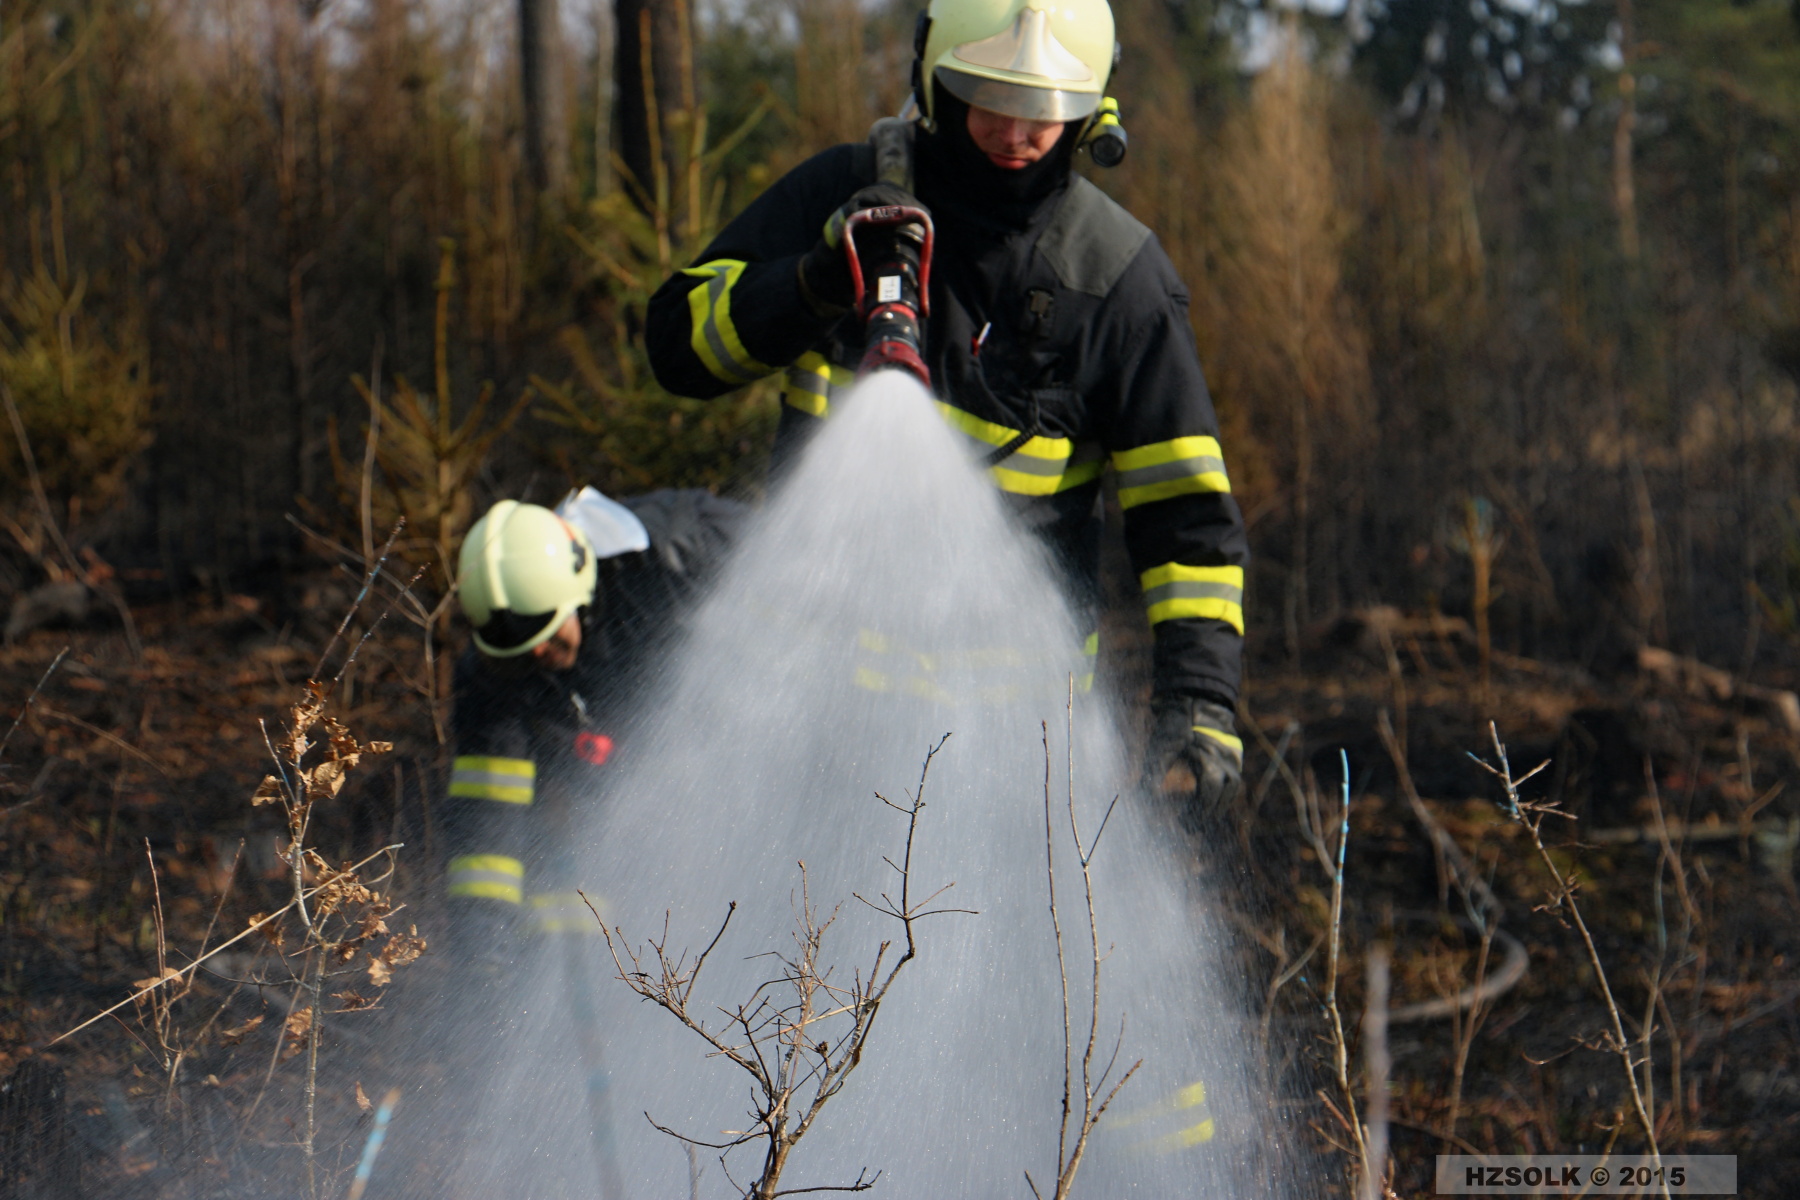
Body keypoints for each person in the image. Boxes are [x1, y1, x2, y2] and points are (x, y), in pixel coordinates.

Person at [643, 0, 1248, 822]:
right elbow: (679, 349)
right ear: (937, 82)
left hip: (1005, 743)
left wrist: (1200, 702)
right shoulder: (844, 197)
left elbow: (1186, 518)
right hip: (804, 710)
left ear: (1090, 107)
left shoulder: (1117, 283)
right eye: (991, 98)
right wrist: (813, 283)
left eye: (1046, 110)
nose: (1015, 132)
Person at [442, 487, 744, 957]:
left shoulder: (686, 550)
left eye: (545, 634)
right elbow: (488, 809)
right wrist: (480, 947)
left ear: (579, 586)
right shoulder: (498, 673)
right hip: (629, 831)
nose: (537, 655)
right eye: (519, 650)